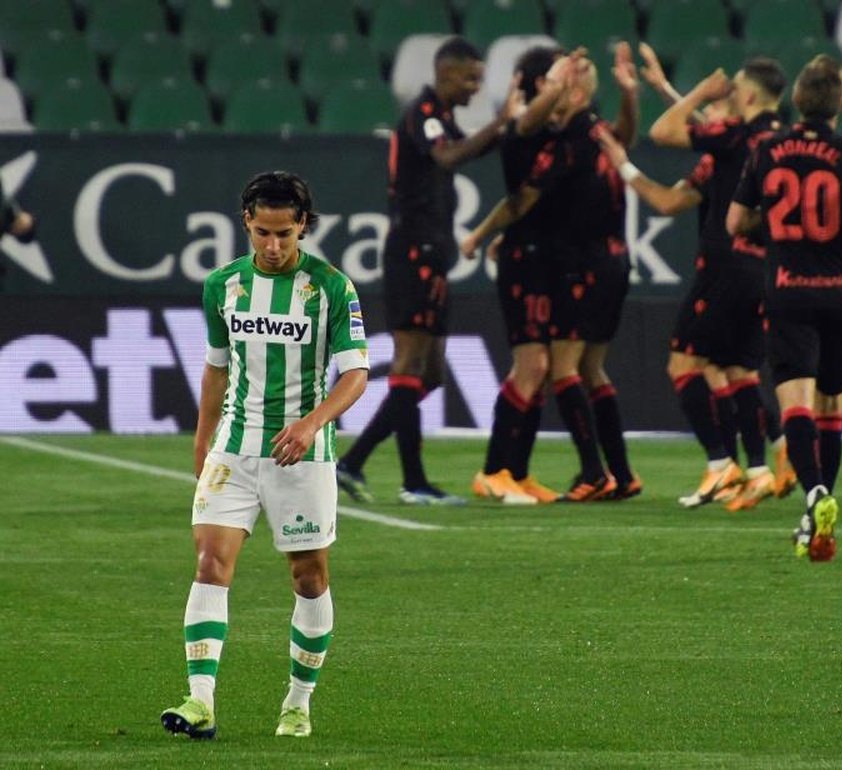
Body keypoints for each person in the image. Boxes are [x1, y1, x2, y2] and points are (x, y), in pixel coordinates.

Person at [160, 171, 369, 739]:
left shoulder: (331, 288)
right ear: (246, 225)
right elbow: (216, 366)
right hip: (235, 447)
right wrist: (203, 441)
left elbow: (356, 374)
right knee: (209, 563)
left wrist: (311, 423)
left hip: (302, 455)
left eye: (284, 234)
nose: (273, 247)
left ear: (303, 224)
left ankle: (298, 702)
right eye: (261, 233)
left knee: (308, 578)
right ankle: (200, 700)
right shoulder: (222, 285)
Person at [727, 54, 842, 561]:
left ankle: (814, 495)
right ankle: (817, 517)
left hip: (788, 287)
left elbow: (736, 222)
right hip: (841, 291)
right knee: (832, 410)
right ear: (841, 102)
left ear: (798, 99)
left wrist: (779, 224)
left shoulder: (767, 150)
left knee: (796, 405)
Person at [336, 36, 519, 506]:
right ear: (445, 74)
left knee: (430, 374)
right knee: (409, 364)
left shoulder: (442, 118)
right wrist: (502, 122)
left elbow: (466, 150)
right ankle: (407, 480)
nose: (477, 87)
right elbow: (450, 156)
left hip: (430, 255)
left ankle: (357, 463)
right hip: (412, 252)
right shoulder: (425, 114)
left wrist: (508, 128)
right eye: (471, 78)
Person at [462, 49, 642, 502]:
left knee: (558, 367)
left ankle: (530, 472)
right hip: (545, 261)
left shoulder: (573, 134)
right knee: (548, 366)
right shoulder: (536, 130)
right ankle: (502, 470)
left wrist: (489, 233)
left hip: (571, 262)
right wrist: (489, 235)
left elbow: (533, 201)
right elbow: (523, 189)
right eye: (551, 82)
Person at [648, 57, 795, 510]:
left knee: (684, 364)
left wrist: (694, 95)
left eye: (733, 87)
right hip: (766, 269)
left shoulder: (738, 137)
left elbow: (665, 133)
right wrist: (665, 86)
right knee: (737, 370)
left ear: (747, 95)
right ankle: (758, 469)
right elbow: (714, 137)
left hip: (726, 267)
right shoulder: (783, 141)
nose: (727, 92)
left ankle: (719, 464)